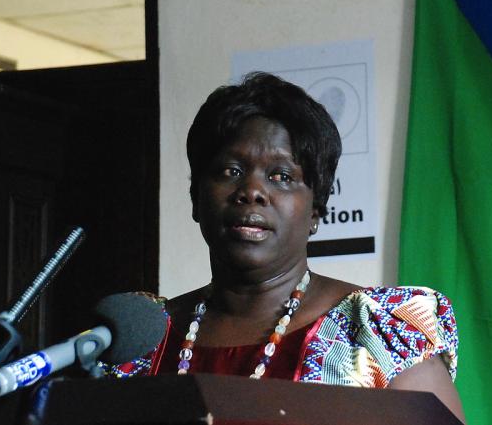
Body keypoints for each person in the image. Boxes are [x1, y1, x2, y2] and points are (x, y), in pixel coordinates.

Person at [104, 72, 464, 422]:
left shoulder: (375, 333)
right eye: (230, 171)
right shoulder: (144, 339)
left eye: (282, 176)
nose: (252, 191)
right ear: (196, 199)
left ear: (316, 210)